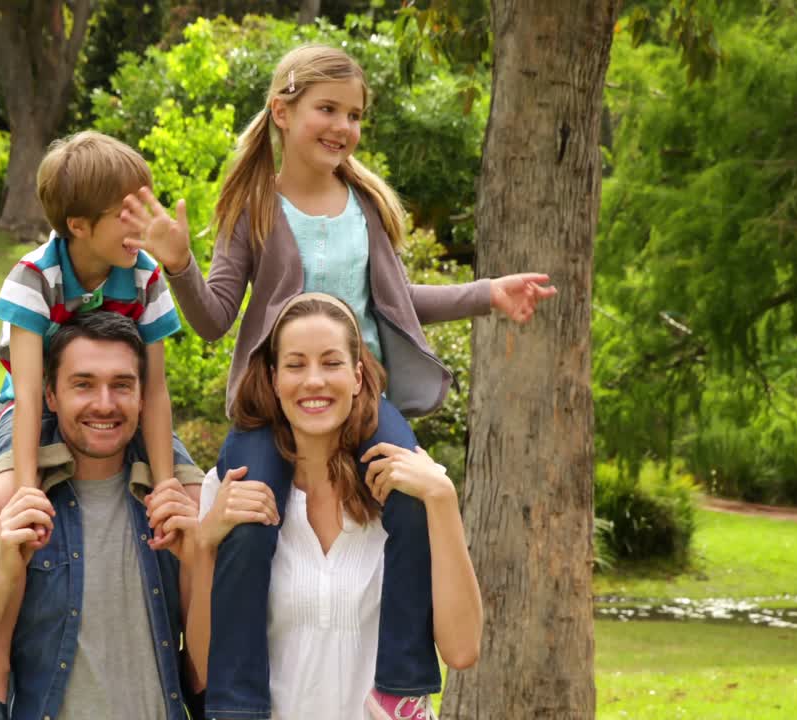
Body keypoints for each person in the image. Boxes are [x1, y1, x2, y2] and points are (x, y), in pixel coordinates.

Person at [119, 45, 553, 718]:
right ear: (282, 112)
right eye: (328, 109)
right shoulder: (255, 207)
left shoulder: (365, 206)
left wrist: (486, 293)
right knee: (248, 519)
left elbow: (396, 300)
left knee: (411, 496)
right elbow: (213, 317)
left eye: (354, 115)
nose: (343, 126)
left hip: (364, 401)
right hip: (274, 409)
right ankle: (236, 701)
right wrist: (179, 265)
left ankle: (399, 684)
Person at [0, 131, 202, 707]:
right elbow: (29, 393)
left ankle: (201, 673)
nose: (143, 224)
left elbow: (155, 390)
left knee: (197, 504)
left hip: (119, 407)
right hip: (33, 406)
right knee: (3, 505)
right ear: (78, 225)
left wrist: (167, 483)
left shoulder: (145, 275)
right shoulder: (34, 278)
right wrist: (27, 489)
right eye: (127, 214)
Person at [185, 294, 484, 720]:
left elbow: (462, 650)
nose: (314, 381)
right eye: (295, 365)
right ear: (273, 379)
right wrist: (204, 544)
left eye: (331, 363)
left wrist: (443, 498)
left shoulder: (414, 488)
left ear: (357, 377)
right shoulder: (231, 490)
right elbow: (206, 666)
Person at [0, 312, 203, 720]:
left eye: (121, 385)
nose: (104, 404)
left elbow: (210, 681)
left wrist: (202, 563)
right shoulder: (2, 510)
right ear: (49, 395)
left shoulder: (178, 514)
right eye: (83, 384)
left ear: (143, 396)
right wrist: (1, 579)